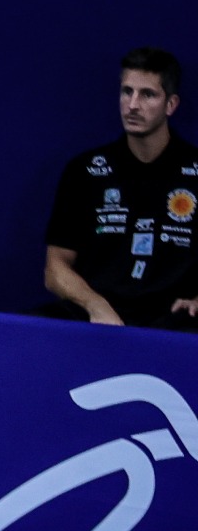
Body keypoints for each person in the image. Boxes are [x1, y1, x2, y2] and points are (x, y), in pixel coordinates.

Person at [43, 48, 198, 330]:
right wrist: (95, 306)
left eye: (147, 95)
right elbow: (55, 269)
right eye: (127, 92)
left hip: (173, 322)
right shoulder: (86, 170)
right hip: (99, 318)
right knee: (23, 330)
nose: (133, 105)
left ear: (171, 104)